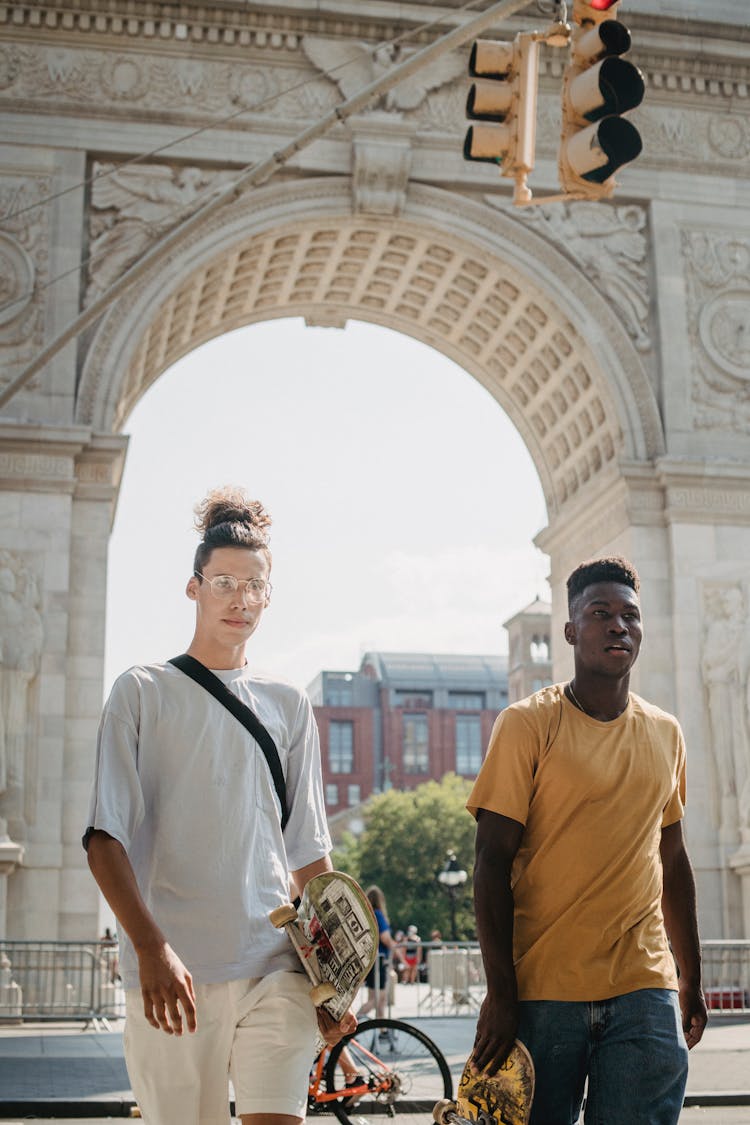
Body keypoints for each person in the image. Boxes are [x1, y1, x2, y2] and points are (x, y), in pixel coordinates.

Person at [84, 487, 353, 1125]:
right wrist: (151, 949)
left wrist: (333, 980)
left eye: (255, 585)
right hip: (174, 977)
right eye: (225, 581)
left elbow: (310, 855)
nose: (242, 599)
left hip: (277, 972)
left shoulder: (288, 704)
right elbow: (104, 839)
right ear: (194, 586)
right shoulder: (141, 692)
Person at [468, 556, 707, 1125]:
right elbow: (489, 862)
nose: (618, 626)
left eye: (630, 615)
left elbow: (672, 860)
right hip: (544, 990)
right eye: (600, 614)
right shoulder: (526, 724)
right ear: (571, 630)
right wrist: (502, 993)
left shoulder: (666, 733)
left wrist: (691, 977)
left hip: (644, 986)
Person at [357, 885, 401, 1018]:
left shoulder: (367, 915)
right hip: (379, 960)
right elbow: (385, 938)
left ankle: (382, 1030)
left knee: (379, 1000)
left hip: (371, 960)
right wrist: (399, 954)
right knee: (377, 998)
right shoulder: (378, 914)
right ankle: (352, 1025)